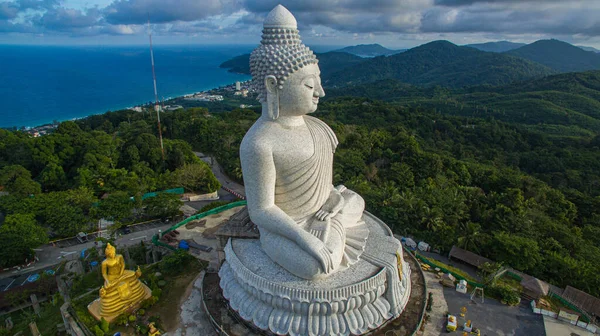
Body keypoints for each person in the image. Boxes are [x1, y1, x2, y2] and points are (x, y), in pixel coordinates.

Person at [240, 7, 368, 279]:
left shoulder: (319, 129)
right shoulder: (259, 143)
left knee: (355, 200)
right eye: (310, 85)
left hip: (323, 213)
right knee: (314, 268)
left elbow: (327, 186)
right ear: (273, 86)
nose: (320, 92)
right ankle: (333, 230)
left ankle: (335, 223)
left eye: (318, 83)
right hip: (286, 226)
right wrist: (304, 238)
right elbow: (261, 210)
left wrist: (333, 200)